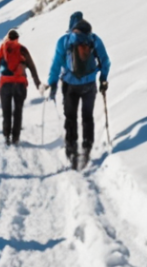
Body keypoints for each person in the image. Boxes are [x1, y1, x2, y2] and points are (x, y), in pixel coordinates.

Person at [46, 11, 111, 169]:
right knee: (87, 116)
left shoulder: (64, 41)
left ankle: (71, 149)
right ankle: (87, 147)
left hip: (70, 86)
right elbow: (106, 62)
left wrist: (52, 84)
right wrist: (103, 79)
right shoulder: (93, 39)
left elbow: (55, 65)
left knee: (70, 117)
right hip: (89, 85)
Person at [0, 29, 41, 146]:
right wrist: (37, 83)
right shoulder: (22, 49)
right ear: (17, 38)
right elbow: (31, 66)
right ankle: (15, 138)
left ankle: (6, 136)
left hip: (5, 84)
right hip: (20, 84)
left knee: (6, 112)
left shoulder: (3, 49)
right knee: (18, 111)